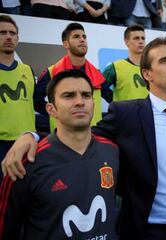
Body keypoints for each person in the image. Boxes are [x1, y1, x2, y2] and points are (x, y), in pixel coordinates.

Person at [2, 38, 166, 240]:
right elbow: (78, 136)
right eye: (164, 61)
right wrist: (31, 136)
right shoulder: (127, 114)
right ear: (147, 74)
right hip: (149, 232)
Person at [0, 69, 119, 239]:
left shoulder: (112, 152)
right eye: (69, 96)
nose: (79, 101)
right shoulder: (25, 162)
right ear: (51, 109)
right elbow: (6, 228)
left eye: (86, 95)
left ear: (93, 103)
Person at [35, 23, 105, 132]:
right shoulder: (51, 72)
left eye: (84, 37)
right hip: (62, 139)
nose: (82, 40)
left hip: (93, 137)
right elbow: (36, 102)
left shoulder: (97, 74)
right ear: (66, 44)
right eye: (76, 37)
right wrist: (58, 113)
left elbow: (112, 98)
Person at [0, 15, 36, 179]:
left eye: (12, 33)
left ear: (18, 38)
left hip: (26, 142)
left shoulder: (27, 70)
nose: (8, 36)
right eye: (2, 33)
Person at [102, 24, 148, 103]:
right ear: (127, 42)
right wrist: (115, 102)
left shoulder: (152, 68)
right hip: (124, 114)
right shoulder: (114, 67)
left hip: (149, 114)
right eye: (136, 38)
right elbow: (101, 86)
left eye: (143, 38)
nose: (141, 41)